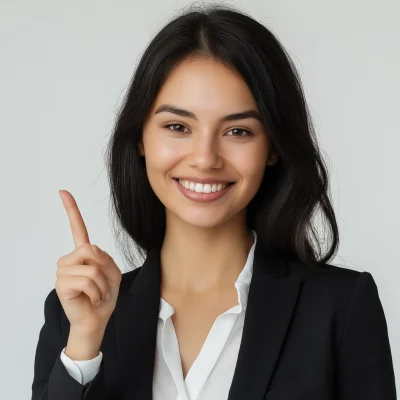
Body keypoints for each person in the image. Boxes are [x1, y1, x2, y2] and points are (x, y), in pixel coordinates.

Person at [31, 4, 397, 400]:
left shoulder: (340, 307)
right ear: (141, 138)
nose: (205, 158)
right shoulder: (76, 312)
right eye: (177, 127)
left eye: (238, 131)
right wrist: (84, 345)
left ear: (272, 146)